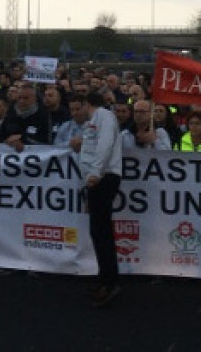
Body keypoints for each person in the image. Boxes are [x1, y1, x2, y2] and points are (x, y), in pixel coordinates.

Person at [79, 91, 123, 308]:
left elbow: (104, 144)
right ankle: (104, 278)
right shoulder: (96, 120)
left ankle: (109, 282)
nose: (77, 112)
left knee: (102, 231)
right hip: (97, 179)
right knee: (98, 231)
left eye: (79, 107)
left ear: (87, 104)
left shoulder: (104, 116)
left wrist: (95, 172)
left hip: (104, 177)